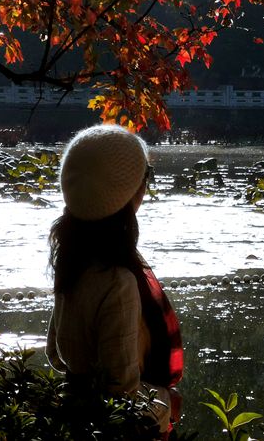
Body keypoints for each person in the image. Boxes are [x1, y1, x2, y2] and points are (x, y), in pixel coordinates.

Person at [46, 124, 182, 438]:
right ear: (129, 193)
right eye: (145, 175)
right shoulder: (118, 281)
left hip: (73, 418)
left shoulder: (71, 262)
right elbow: (121, 396)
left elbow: (56, 354)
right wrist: (166, 403)